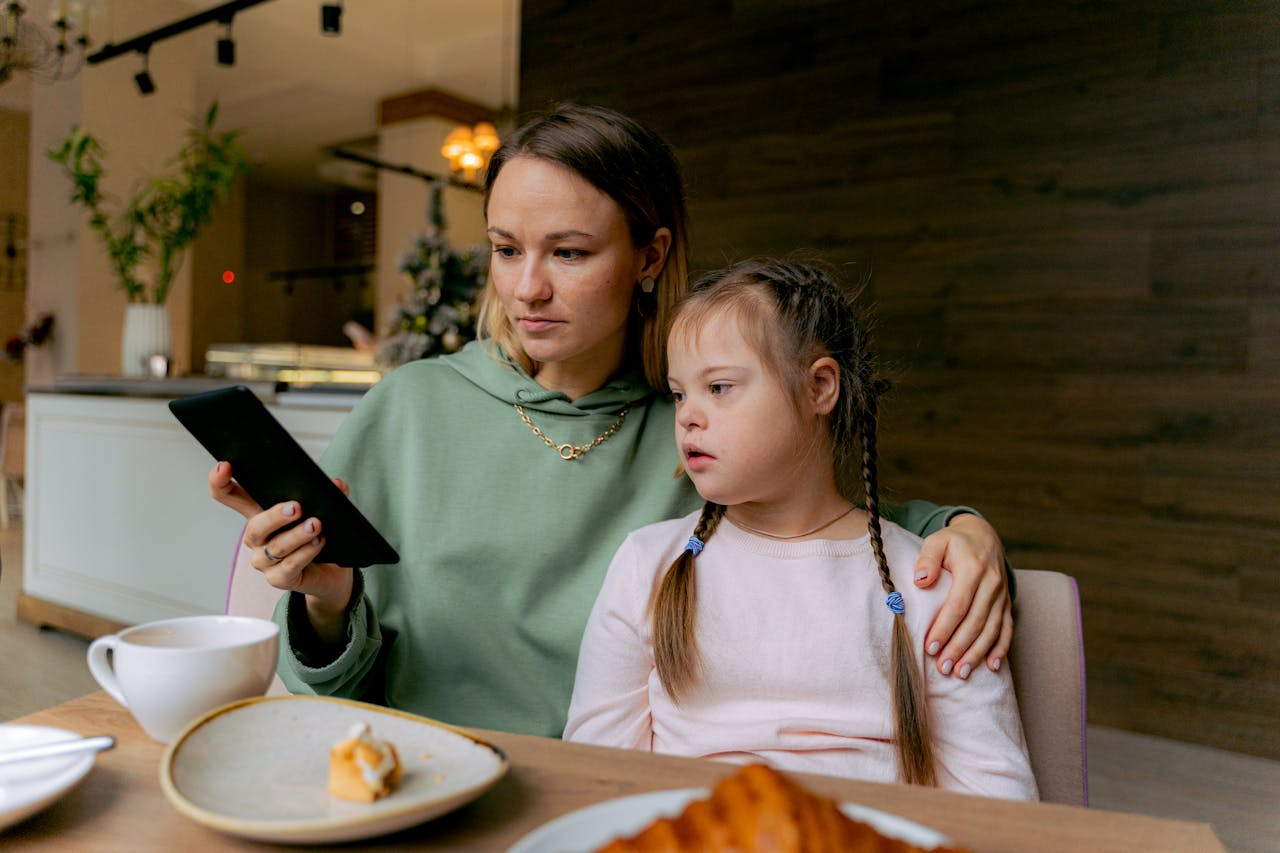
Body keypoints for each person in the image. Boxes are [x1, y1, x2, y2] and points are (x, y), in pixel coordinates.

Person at [208, 104, 1012, 739]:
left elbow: (837, 523)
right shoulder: (408, 409)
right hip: (424, 781)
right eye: (505, 248)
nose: (527, 289)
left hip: (617, 802)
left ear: (651, 256)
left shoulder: (703, 427)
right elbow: (340, 688)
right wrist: (325, 601)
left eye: (568, 253)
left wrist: (965, 527)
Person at [564, 259, 1037, 799]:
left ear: (819, 387)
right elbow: (594, 771)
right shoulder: (647, 562)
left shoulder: (928, 581)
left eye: (719, 387)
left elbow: (999, 798)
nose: (689, 415)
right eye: (679, 393)